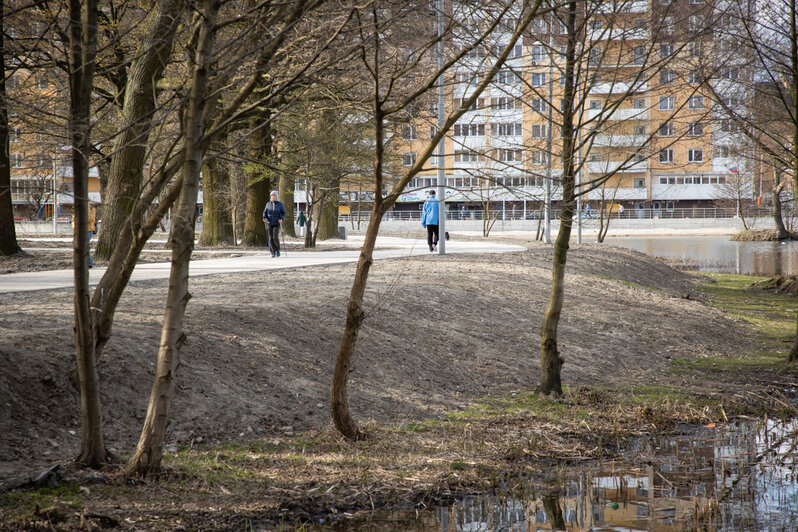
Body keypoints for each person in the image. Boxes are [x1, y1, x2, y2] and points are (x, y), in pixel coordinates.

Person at [72, 203, 96, 268]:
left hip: (87, 230)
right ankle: (87, 263)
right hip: (85, 230)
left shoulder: (90, 210)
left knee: (83, 247)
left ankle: (89, 263)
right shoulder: (85, 209)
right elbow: (74, 219)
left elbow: (89, 219)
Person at [262, 190, 286, 257]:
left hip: (276, 222)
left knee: (275, 237)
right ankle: (272, 251)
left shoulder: (280, 204)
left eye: (274, 196)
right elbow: (265, 212)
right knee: (270, 238)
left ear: (276, 196)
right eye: (272, 196)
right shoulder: (268, 204)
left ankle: (277, 249)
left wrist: (282, 219)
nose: (273, 197)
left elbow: (284, 212)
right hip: (269, 222)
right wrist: (264, 217)